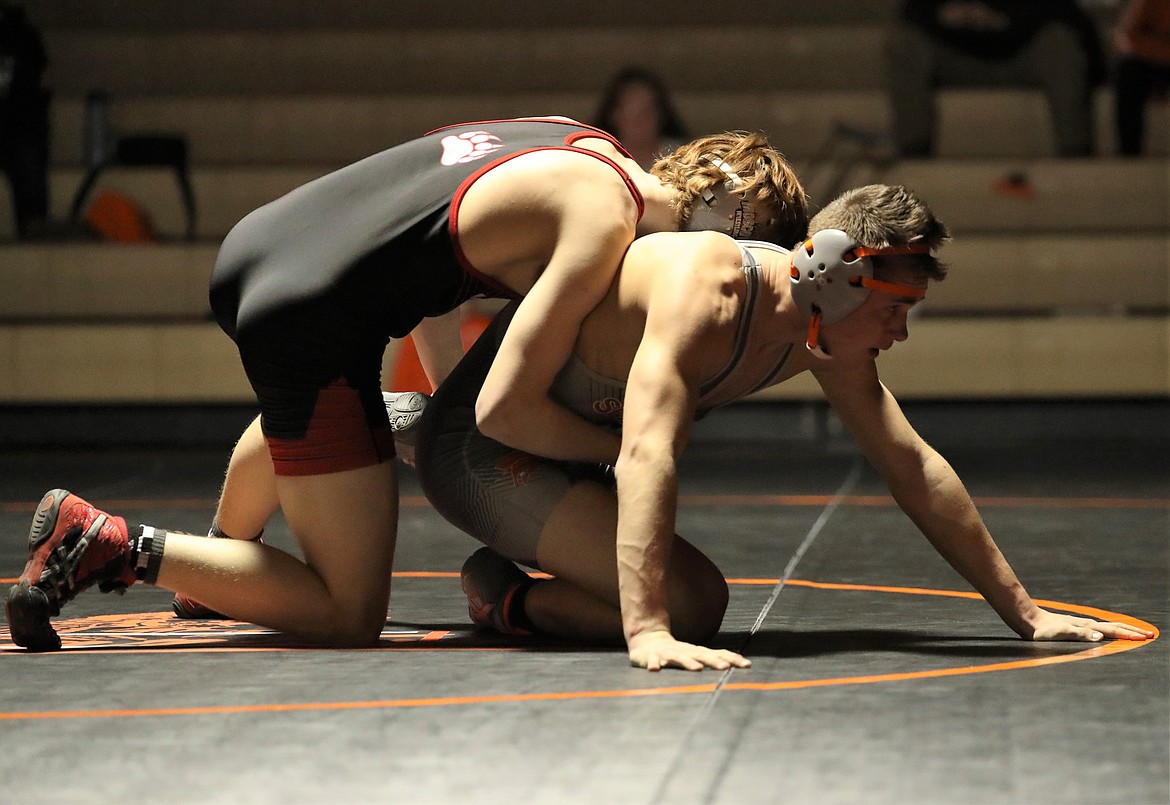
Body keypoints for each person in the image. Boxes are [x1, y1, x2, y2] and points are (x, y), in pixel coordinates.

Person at [4, 116, 809, 651]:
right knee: (349, 613)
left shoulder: (580, 141)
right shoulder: (610, 225)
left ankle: (222, 567)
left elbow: (439, 242)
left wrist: (436, 410)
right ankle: (110, 543)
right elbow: (505, 407)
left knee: (356, 414)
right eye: (754, 253)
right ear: (736, 216)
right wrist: (619, 448)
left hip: (275, 238)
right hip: (309, 308)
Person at [390, 183, 1154, 671]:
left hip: (571, 450)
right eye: (894, 311)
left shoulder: (822, 330)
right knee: (686, 608)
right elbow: (650, 450)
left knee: (703, 602)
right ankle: (499, 586)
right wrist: (648, 631)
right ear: (833, 273)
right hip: (484, 448)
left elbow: (910, 463)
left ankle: (511, 595)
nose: (899, 334)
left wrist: (1025, 613)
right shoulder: (707, 288)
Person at [885, 0, 1106, 157]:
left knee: (1061, 43)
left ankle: (1075, 149)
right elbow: (913, 12)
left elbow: (1066, 14)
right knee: (904, 42)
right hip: (956, 56)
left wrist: (1001, 16)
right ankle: (914, 150)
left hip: (1022, 53)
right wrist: (956, 14)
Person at [0, 0, 49, 239]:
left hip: (18, 127)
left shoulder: (22, 35)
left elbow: (34, 80)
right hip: (19, 129)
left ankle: (33, 236)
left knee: (28, 170)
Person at [593, 67, 689, 169]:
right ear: (614, 116)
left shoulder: (683, 160)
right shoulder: (599, 160)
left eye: (647, 110)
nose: (641, 120)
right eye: (631, 111)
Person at [1113, 0, 1170, 156]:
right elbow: (1124, 39)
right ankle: (1130, 159)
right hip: (1153, 63)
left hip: (1156, 56)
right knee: (1129, 74)